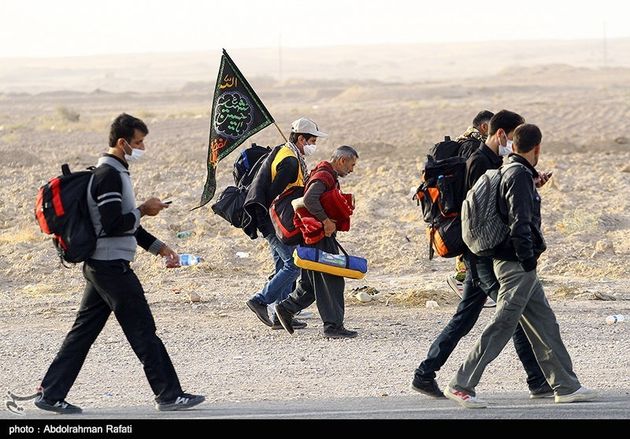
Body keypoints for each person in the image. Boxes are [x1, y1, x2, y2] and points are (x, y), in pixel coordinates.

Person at [34, 113, 204, 414]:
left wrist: (160, 248)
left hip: (103, 267)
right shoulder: (108, 175)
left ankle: (49, 394)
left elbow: (127, 224)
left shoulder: (117, 173)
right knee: (143, 331)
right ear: (122, 142)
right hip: (111, 268)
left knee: (82, 334)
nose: (143, 148)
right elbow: (115, 223)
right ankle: (169, 394)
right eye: (138, 142)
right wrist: (144, 209)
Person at [444, 123, 597, 408]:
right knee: (503, 324)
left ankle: (566, 386)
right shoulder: (518, 176)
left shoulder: (512, 170)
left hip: (516, 263)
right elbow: (520, 223)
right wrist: (528, 259)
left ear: (514, 145)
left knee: (545, 323)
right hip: (516, 265)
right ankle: (461, 384)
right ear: (537, 148)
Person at [412, 110, 551, 400]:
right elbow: (479, 213)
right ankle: (537, 381)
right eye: (512, 138)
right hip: (480, 256)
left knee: (467, 318)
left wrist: (530, 184)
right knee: (512, 312)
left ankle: (424, 374)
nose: (513, 145)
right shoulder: (478, 162)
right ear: (500, 134)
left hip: (481, 255)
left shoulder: (492, 161)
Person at [244, 117, 327, 330]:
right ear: (301, 138)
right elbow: (274, 197)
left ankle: (281, 314)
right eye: (312, 141)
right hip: (273, 221)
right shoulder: (290, 161)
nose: (314, 146)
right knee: (293, 263)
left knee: (283, 264)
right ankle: (260, 300)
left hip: (275, 220)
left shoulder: (289, 153)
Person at [275, 145, 359, 339]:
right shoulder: (325, 176)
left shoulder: (325, 174)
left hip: (312, 237)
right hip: (319, 237)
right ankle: (333, 326)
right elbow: (310, 199)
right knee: (332, 280)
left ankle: (285, 309)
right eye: (351, 165)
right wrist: (326, 220)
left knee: (310, 284)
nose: (352, 170)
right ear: (341, 160)